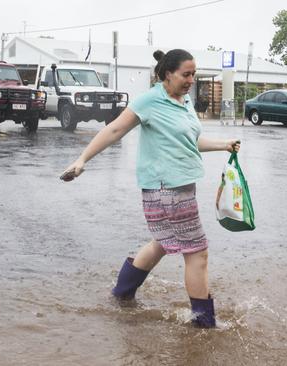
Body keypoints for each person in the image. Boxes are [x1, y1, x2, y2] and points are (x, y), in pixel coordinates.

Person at [61, 49, 240, 328]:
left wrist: (224, 144)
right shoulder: (150, 101)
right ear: (167, 74)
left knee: (161, 243)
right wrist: (82, 159)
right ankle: (204, 323)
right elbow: (114, 130)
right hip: (166, 190)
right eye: (186, 74)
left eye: (193, 74)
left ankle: (122, 294)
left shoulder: (183, 102)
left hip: (177, 188)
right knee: (197, 253)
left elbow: (190, 141)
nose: (191, 79)